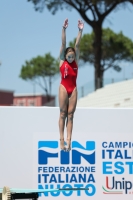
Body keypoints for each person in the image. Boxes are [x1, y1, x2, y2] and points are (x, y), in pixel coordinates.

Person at [58, 18, 84, 151]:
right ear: (65, 56)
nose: (71, 58)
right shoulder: (62, 61)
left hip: (73, 89)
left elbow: (77, 45)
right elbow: (63, 43)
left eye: (73, 56)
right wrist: (64, 29)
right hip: (63, 87)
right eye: (69, 56)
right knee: (62, 113)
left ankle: (69, 140)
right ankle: (61, 140)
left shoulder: (75, 62)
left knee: (71, 115)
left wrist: (80, 31)